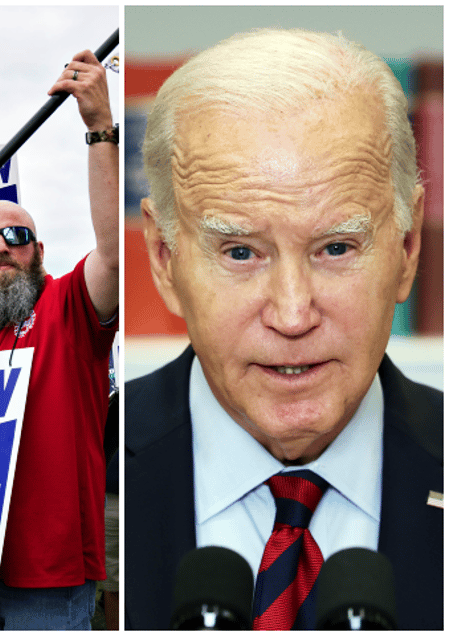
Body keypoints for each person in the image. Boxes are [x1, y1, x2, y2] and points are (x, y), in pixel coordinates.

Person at [124, 29, 442, 630]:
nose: (293, 315)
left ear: (406, 250)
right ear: (164, 259)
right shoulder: (101, 461)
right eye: (241, 252)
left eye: (337, 247)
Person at [0, 48, 118, 630]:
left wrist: (99, 130)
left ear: (38, 252)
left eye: (16, 237)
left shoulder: (66, 308)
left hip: (50, 573)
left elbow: (117, 258)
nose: (2, 248)